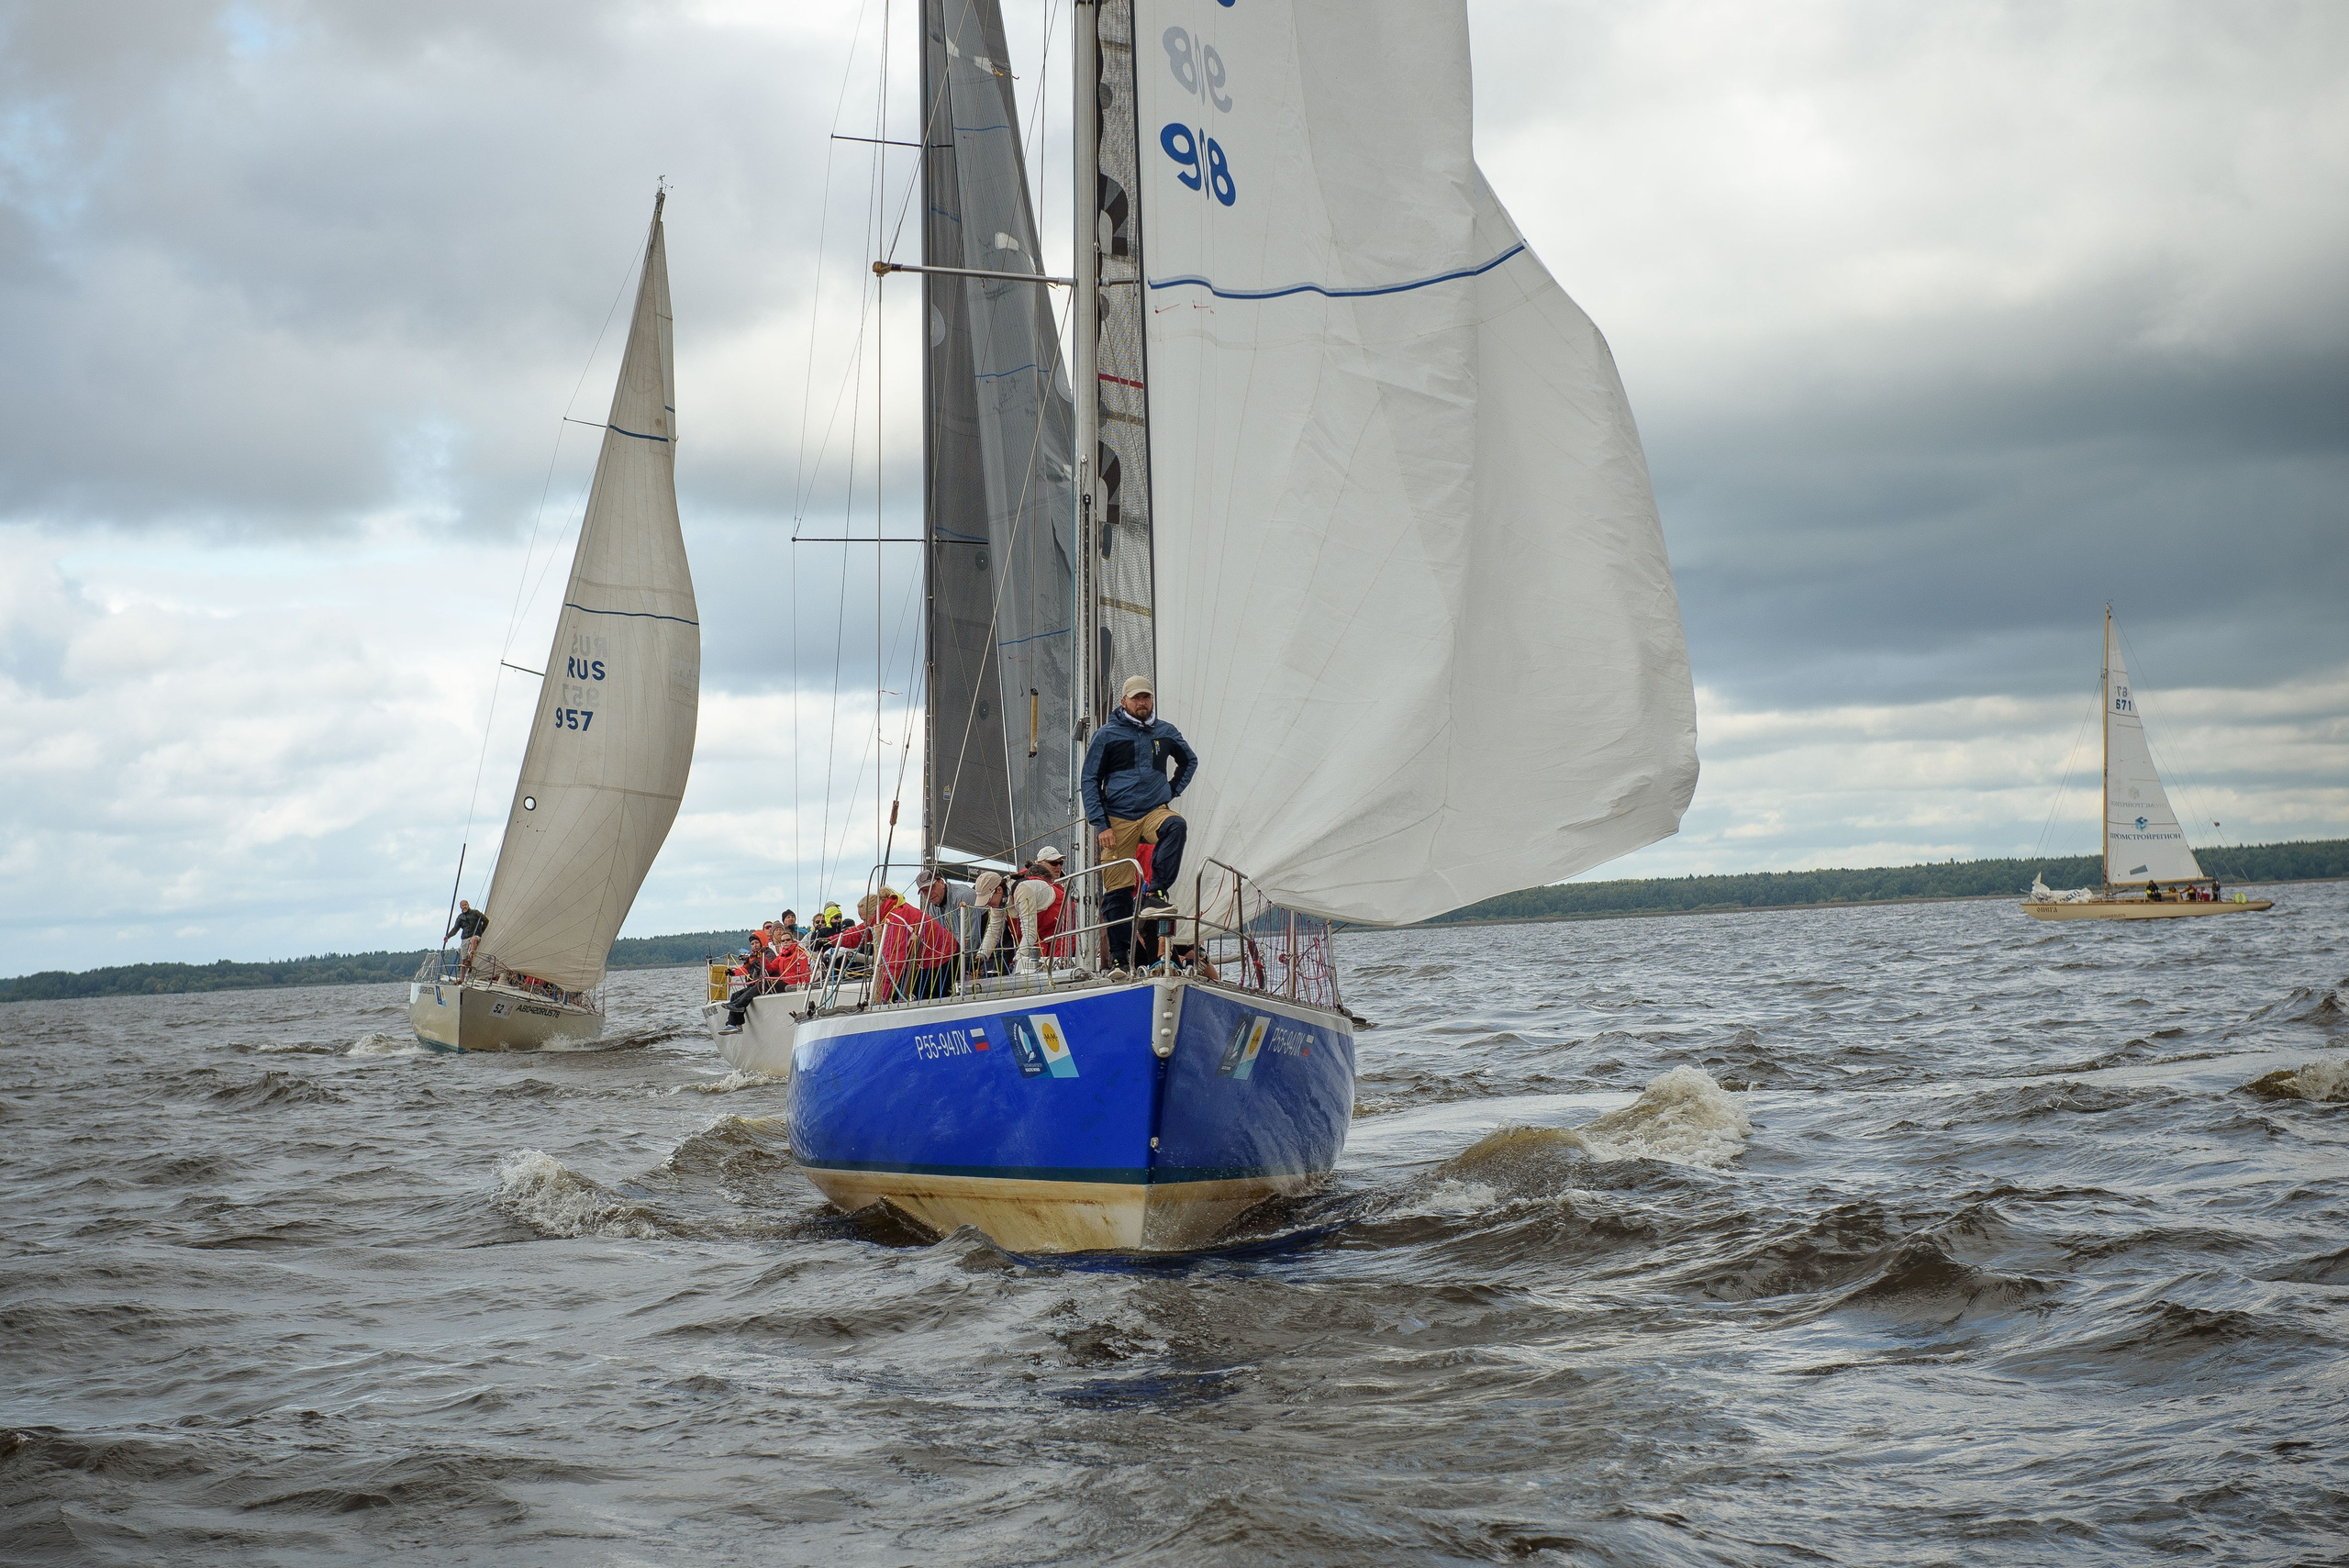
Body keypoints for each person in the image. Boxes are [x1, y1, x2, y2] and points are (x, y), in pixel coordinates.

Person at [1083, 675, 1197, 964]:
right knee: (1117, 890)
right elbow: (1089, 779)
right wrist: (1101, 823)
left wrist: (1171, 791)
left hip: (1152, 812)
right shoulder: (1106, 735)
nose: (1141, 702)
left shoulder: (1165, 731)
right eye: (1135, 698)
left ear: (1152, 700)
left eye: (1146, 697)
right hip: (1117, 818)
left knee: (1176, 825)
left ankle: (1156, 889)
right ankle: (1120, 957)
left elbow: (1189, 761)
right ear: (1124, 702)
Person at [446, 899, 489, 979]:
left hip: (475, 936)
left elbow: (486, 920)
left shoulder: (475, 913)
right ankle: (461, 979)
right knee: (463, 961)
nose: (464, 906)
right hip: (465, 937)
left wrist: (481, 931)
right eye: (462, 905)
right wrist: (448, 936)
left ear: (468, 905)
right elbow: (455, 929)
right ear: (460, 907)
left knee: (473, 939)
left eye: (465, 905)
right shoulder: (460, 917)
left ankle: (470, 959)